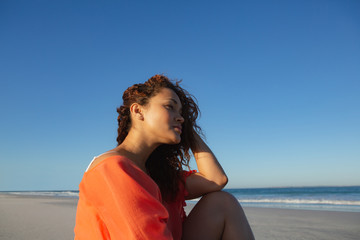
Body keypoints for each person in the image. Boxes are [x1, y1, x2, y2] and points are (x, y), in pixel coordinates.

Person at [74, 75, 255, 240]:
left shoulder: (156, 174)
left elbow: (215, 179)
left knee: (222, 203)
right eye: (170, 107)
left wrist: (188, 131)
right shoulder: (113, 168)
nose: (181, 118)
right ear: (137, 111)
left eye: (182, 114)